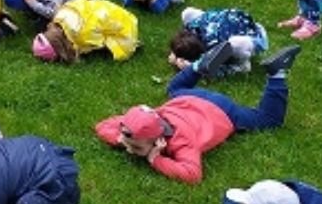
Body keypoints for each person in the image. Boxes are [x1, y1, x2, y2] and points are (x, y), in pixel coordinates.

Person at [94, 43, 301, 184]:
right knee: (173, 89)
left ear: (158, 140)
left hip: (222, 111)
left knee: (268, 120)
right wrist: (122, 139)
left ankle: (277, 73)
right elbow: (102, 126)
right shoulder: (141, 123)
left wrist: (155, 159)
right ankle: (197, 66)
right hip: (188, 98)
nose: (129, 150)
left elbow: (192, 174)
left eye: (137, 147)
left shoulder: (182, 142)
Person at [32, 0, 138, 63]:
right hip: (110, 12)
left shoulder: (82, 35)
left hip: (124, 28)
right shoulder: (59, 17)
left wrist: (78, 51)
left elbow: (96, 41)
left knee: (118, 51)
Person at [168, 7, 267, 74]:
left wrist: (191, 67)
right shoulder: (193, 26)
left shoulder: (213, 46)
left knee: (236, 44)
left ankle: (241, 65)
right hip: (237, 23)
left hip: (256, 36)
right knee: (188, 12)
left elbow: (210, 69)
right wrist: (175, 53)